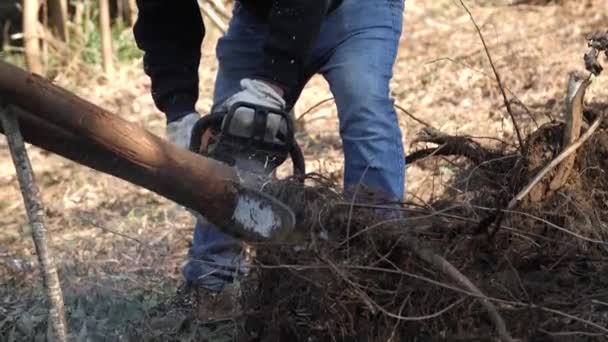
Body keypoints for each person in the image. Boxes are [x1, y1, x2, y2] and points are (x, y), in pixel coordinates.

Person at [133, 0, 406, 320]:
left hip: (358, 10)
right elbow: (164, 13)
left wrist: (270, 84)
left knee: (365, 110)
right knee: (231, 134)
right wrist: (179, 113)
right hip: (261, 16)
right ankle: (212, 284)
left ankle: (380, 265)